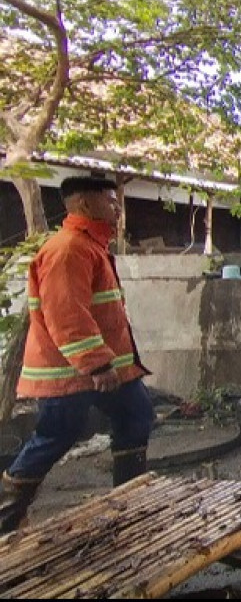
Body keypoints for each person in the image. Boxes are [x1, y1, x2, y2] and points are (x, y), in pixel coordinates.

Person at [0, 175, 154, 533]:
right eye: (111, 202)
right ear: (84, 204)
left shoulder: (91, 246)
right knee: (55, 437)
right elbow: (67, 315)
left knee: (136, 415)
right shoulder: (68, 249)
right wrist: (97, 364)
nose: (118, 210)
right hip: (70, 374)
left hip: (103, 370)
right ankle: (7, 516)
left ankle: (128, 503)